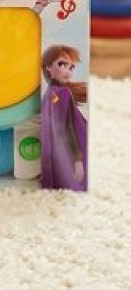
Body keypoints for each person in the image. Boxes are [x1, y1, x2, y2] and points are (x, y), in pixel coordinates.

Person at [40, 44, 88, 191]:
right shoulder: (57, 94)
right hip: (69, 152)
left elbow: (68, 126)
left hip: (66, 152)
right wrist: (77, 160)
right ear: (48, 66)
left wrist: (77, 159)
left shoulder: (53, 94)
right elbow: (67, 127)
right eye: (62, 64)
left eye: (71, 67)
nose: (68, 71)